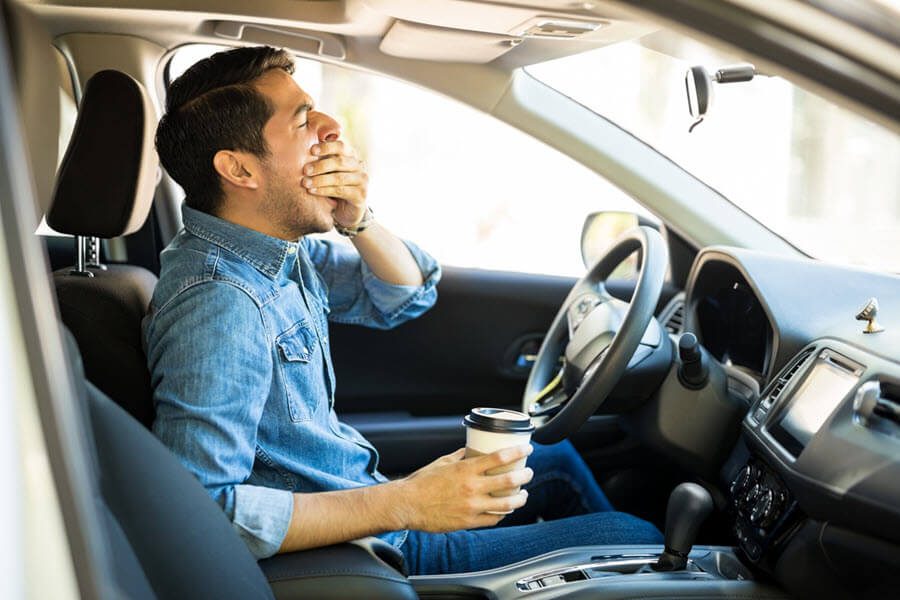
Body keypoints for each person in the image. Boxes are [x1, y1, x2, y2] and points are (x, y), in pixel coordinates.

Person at [144, 45, 661, 576]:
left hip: (365, 502)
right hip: (371, 548)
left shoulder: (270, 252)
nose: (330, 128)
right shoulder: (221, 304)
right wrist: (408, 502)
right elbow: (204, 512)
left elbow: (404, 292)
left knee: (555, 461)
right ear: (238, 169)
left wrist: (358, 219)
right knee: (635, 540)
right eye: (302, 122)